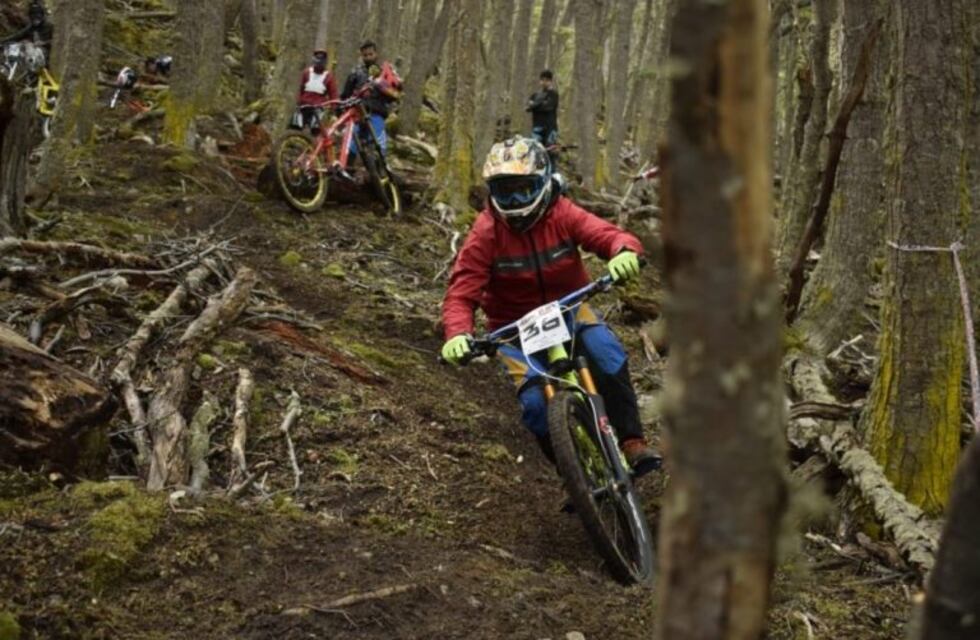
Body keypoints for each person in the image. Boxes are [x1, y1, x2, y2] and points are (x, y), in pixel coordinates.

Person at [440, 136, 662, 477]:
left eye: (524, 190)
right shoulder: (486, 232)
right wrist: (457, 333)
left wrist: (624, 251)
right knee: (535, 407)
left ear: (543, 182)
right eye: (505, 192)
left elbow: (604, 233)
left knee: (607, 355)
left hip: (569, 307)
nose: (516, 201)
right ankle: (575, 476)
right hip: (514, 329)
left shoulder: (562, 212)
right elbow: (461, 292)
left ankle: (632, 441)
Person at [341, 41, 402, 156]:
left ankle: (379, 166)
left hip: (377, 114)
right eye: (365, 55)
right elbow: (345, 95)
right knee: (350, 148)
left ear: (376, 54)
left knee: (379, 149)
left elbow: (395, 93)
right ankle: (350, 166)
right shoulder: (355, 73)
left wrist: (388, 86)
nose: (368, 57)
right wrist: (342, 111)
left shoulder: (385, 72)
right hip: (358, 115)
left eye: (371, 54)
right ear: (361, 56)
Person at [292, 50, 338, 134]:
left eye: (321, 59)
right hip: (304, 106)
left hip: (318, 108)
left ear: (325, 61)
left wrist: (334, 110)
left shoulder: (328, 76)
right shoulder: (307, 72)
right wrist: (298, 102)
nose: (319, 62)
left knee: (316, 130)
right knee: (295, 128)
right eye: (317, 58)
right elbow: (301, 89)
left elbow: (333, 94)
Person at [526, 70, 559, 148]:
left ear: (551, 81)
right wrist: (540, 103)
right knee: (535, 149)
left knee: (550, 150)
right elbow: (528, 108)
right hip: (537, 127)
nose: (544, 82)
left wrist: (535, 105)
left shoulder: (553, 94)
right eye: (542, 80)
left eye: (547, 80)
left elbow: (548, 107)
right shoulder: (535, 95)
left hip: (550, 128)